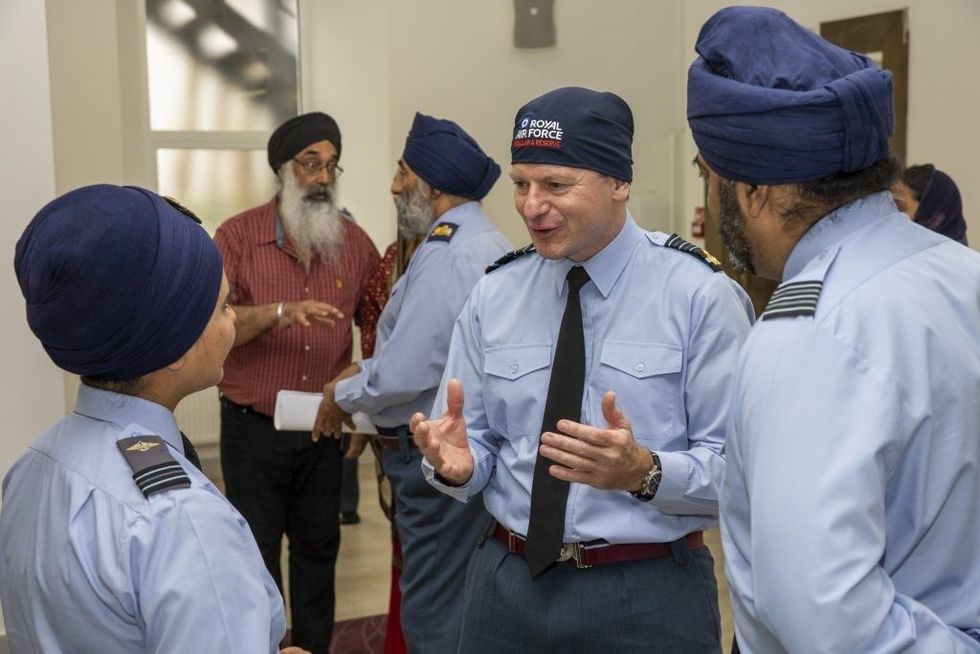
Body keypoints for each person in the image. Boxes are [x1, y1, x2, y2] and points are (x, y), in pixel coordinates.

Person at [412, 87, 753, 653]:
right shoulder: (494, 294)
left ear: (619, 183)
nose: (530, 205)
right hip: (506, 585)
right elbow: (481, 444)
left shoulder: (699, 297)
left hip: (644, 592)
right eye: (521, 184)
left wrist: (644, 471)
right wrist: (458, 467)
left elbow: (744, 475)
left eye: (556, 185)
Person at [687, 7, 980, 653]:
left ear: (750, 188)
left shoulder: (811, 333)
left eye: (706, 175)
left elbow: (825, 621)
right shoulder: (961, 272)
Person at [0, 185, 309, 654]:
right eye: (223, 306)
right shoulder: (180, 520)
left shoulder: (34, 464)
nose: (232, 321)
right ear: (177, 345)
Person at [314, 112, 511, 653]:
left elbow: (406, 371)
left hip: (430, 458)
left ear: (434, 184)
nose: (395, 186)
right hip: (469, 450)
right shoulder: (486, 242)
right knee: (462, 596)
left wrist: (341, 392)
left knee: (429, 609)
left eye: (403, 173)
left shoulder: (447, 254)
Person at [214, 111, 381, 653]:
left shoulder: (354, 243)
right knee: (256, 556)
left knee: (318, 553)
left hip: (322, 430)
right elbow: (213, 329)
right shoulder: (237, 238)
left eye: (332, 165)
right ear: (283, 170)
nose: (323, 178)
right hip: (252, 428)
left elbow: (379, 332)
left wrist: (361, 410)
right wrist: (279, 312)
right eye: (311, 164)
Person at [892, 163, 969, 245]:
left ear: (931, 217)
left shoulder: (951, 253)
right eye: (892, 203)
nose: (892, 212)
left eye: (901, 207)